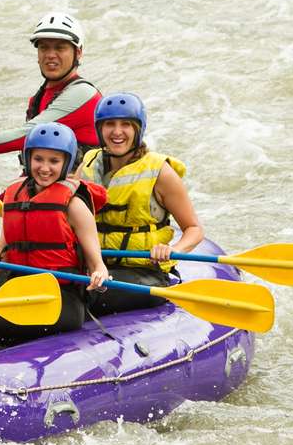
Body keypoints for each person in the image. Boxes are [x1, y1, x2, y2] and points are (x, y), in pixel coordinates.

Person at [0, 122, 109, 346]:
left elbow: (97, 264)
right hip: (20, 287)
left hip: (60, 298)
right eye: (38, 159)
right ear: (28, 158)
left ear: (66, 163)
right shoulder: (15, 193)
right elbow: (10, 234)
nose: (44, 168)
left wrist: (99, 274)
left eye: (54, 161)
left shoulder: (75, 205)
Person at [78, 93, 204, 314]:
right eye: (109, 124)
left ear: (138, 129)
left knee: (86, 293)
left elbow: (194, 229)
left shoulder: (161, 173)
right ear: (100, 129)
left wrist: (172, 250)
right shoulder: (88, 165)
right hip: (96, 265)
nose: (117, 132)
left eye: (126, 124)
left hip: (143, 272)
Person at [0, 12, 102, 163]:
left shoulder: (82, 94)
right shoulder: (40, 96)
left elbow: (28, 135)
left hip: (79, 184)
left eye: (60, 48)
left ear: (78, 53)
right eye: (44, 48)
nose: (50, 55)